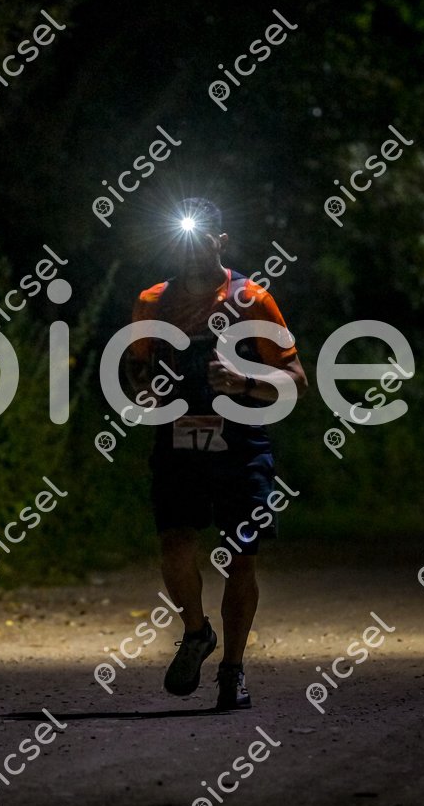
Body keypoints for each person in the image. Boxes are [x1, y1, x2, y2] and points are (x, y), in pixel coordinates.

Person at [125, 198, 308, 710]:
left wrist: (243, 381)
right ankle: (196, 632)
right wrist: (145, 390)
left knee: (241, 557)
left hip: (242, 445)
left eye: (201, 238)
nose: (191, 249)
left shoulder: (252, 299)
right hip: (177, 441)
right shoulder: (151, 302)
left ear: (220, 241)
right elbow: (137, 364)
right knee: (174, 544)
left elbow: (297, 380)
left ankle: (233, 670)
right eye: (180, 239)